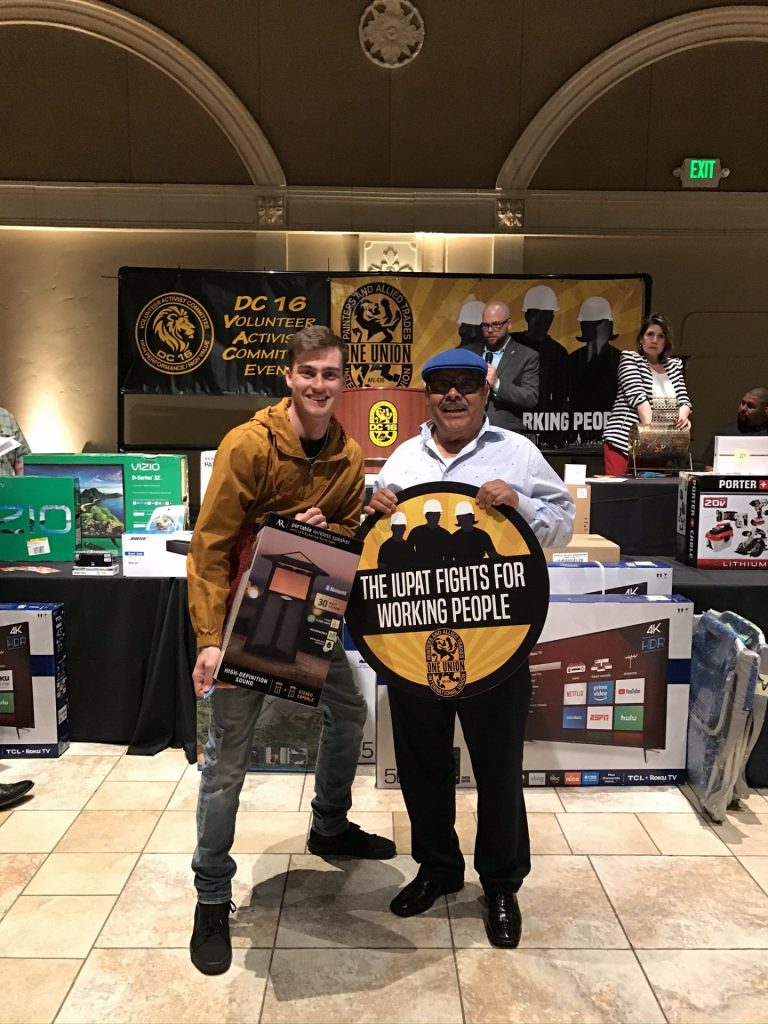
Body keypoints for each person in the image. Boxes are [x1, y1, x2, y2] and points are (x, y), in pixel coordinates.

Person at [186, 324, 395, 977]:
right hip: (245, 621)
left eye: (330, 374)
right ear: (289, 376)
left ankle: (329, 823)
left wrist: (347, 521)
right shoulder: (248, 445)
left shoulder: (347, 455)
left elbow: (345, 535)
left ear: (344, 381)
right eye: (308, 372)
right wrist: (209, 640)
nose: (318, 385)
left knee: (349, 711)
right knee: (226, 764)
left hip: (306, 617)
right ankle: (211, 894)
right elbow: (209, 547)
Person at [365, 348, 573, 949]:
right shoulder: (403, 458)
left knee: (498, 768)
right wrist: (373, 507)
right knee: (422, 765)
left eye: (465, 384)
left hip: (496, 645)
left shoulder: (518, 452)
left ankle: (502, 884)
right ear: (428, 394)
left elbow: (562, 522)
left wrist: (521, 504)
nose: (452, 394)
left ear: (486, 391)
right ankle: (437, 868)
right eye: (440, 385)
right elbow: (377, 544)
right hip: (413, 646)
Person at [602, 313, 691, 476]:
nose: (654, 340)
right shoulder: (630, 359)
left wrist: (682, 420)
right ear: (641, 339)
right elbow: (640, 401)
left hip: (659, 445)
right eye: (650, 334)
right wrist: (668, 433)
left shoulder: (673, 366)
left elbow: (684, 402)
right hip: (625, 442)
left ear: (665, 342)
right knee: (619, 489)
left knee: (652, 489)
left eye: (660, 336)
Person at [460, 301, 539, 432]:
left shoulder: (527, 356)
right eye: (486, 325)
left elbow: (530, 397)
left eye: (496, 325)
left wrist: (497, 384)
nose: (490, 330)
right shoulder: (468, 352)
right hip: (468, 430)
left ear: (509, 324)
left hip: (505, 432)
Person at [701, 387, 768, 468]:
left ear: (765, 410)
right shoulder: (725, 433)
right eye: (743, 403)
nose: (743, 408)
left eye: (750, 406)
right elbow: (707, 466)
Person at [0, 406, 30, 476]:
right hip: (5, 482)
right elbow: (22, 465)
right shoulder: (7, 417)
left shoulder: (8, 417)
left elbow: (22, 465)